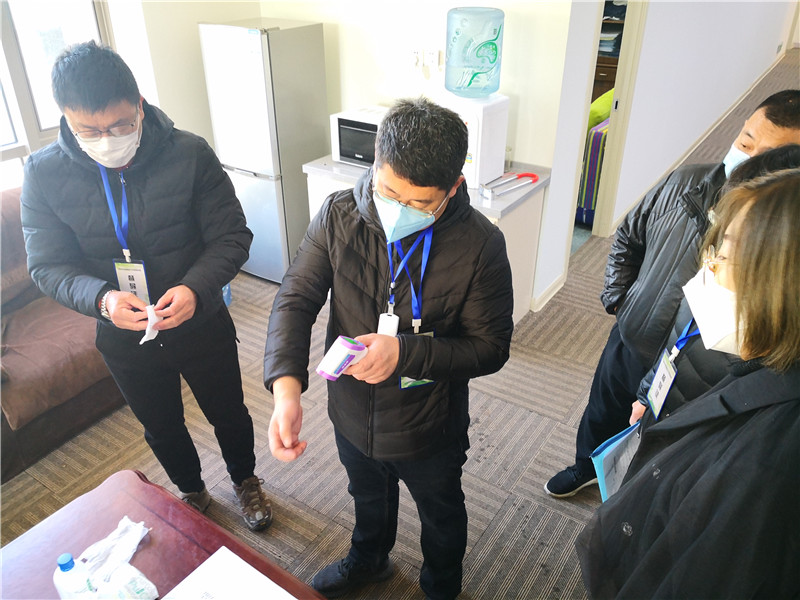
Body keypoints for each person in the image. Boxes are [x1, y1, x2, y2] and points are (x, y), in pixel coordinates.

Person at [263, 97, 514, 600]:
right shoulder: (339, 214)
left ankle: (441, 587)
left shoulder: (480, 245)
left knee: (441, 514)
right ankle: (369, 560)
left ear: (453, 187)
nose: (400, 209)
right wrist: (285, 391)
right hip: (352, 411)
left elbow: (490, 348)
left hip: (429, 424)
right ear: (376, 162)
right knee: (367, 496)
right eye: (389, 192)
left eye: (420, 203)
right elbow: (295, 298)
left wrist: (404, 354)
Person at [21, 41, 272, 531]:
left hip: (199, 320)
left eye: (119, 125)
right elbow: (48, 266)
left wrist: (196, 288)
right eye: (89, 130)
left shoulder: (189, 154)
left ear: (138, 104)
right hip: (123, 332)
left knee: (228, 412)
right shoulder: (44, 174)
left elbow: (232, 236)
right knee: (160, 424)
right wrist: (102, 299)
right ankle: (191, 490)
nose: (106, 140)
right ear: (66, 119)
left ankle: (245, 480)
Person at [545, 90, 800, 498]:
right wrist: (620, 301)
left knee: (662, 454)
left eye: (768, 156)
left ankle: (628, 497)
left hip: (702, 368)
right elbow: (629, 237)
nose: (748, 159)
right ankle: (585, 468)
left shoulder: (784, 245)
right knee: (603, 413)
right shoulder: (685, 182)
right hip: (633, 339)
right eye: (745, 142)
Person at [575, 168, 800, 598]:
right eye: (713, 251)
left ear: (781, 287)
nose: (706, 271)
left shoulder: (764, 464)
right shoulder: (760, 374)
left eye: (725, 258)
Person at [627, 143, 800, 428]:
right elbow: (674, 346)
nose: (712, 266)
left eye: (729, 255)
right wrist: (647, 395)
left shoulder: (763, 373)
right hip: (661, 409)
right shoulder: (711, 280)